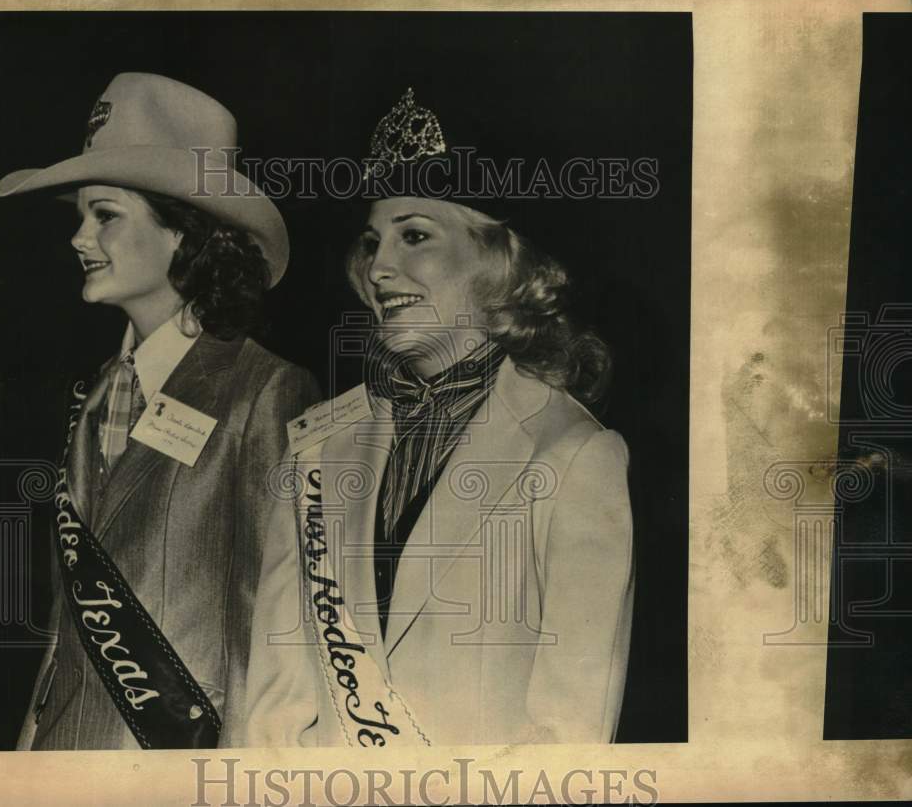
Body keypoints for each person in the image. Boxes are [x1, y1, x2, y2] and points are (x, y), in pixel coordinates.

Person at [230, 88, 634, 747]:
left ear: (503, 263)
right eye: (372, 241)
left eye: (415, 235)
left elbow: (568, 734)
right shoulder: (316, 445)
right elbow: (273, 711)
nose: (380, 267)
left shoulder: (574, 454)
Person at [0, 73, 320, 750]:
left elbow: (271, 627)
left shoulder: (265, 390)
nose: (81, 238)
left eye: (105, 214)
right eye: (79, 217)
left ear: (183, 234)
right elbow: (66, 624)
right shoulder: (93, 393)